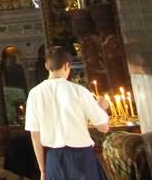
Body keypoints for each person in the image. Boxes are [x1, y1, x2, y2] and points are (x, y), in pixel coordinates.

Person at [24, 47, 110, 180]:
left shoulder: (34, 94)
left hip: (53, 159)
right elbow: (103, 127)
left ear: (47, 66)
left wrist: (43, 170)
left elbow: (35, 135)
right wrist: (102, 107)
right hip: (81, 158)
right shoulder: (79, 91)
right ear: (67, 65)